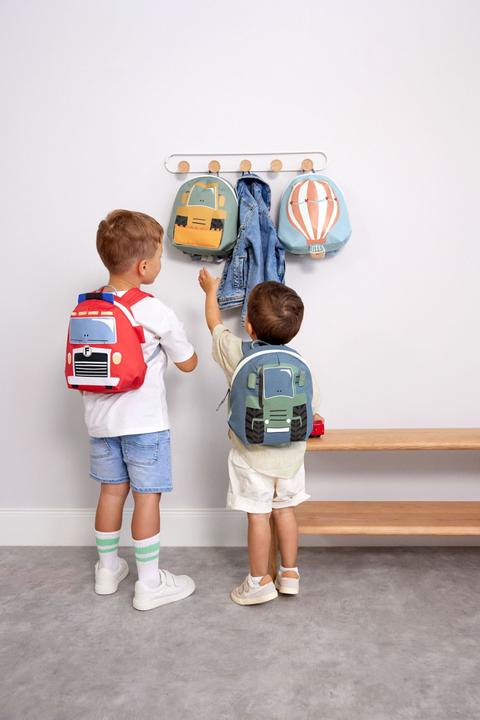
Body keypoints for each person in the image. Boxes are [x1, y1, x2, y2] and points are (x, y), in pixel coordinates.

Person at [83, 209, 197, 610]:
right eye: (160, 257)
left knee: (111, 493)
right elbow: (188, 362)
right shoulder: (154, 310)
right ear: (144, 266)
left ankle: (107, 570)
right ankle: (149, 584)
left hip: (100, 424)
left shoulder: (89, 306)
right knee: (147, 497)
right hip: (145, 424)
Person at [198, 269, 322, 605]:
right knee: (286, 511)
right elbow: (312, 408)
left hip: (250, 456)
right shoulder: (300, 363)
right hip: (292, 457)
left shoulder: (237, 353)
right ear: (294, 330)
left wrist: (210, 291)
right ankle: (290, 573)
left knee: (258, 516)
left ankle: (258, 582)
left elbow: (214, 325)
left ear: (249, 326)